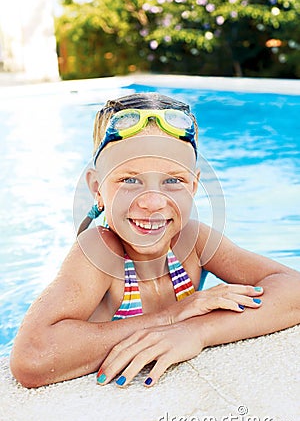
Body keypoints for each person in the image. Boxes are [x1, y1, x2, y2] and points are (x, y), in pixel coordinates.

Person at [10, 92, 300, 389]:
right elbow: (34, 357)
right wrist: (173, 316)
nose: (152, 202)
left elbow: (294, 290)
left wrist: (196, 332)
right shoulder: (101, 250)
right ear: (97, 187)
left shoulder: (192, 240)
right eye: (129, 180)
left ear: (194, 185)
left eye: (173, 180)